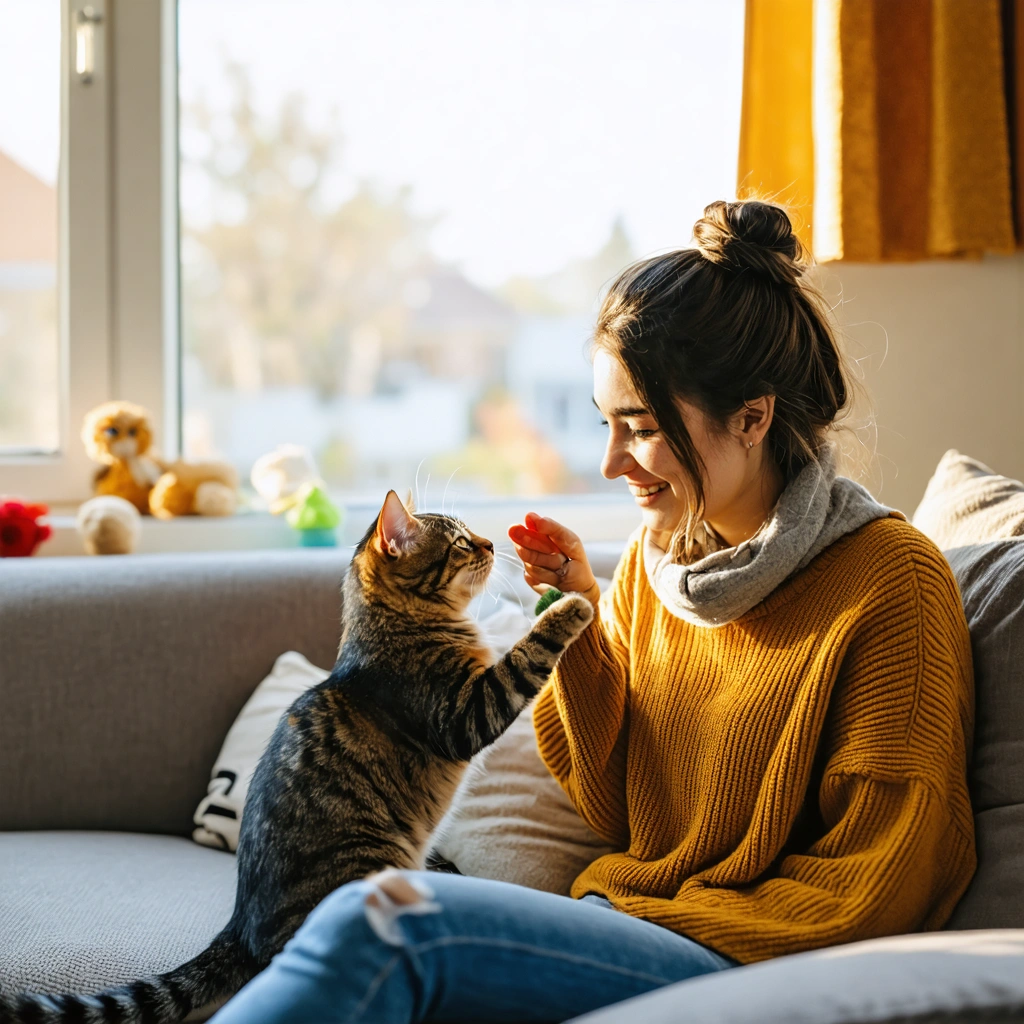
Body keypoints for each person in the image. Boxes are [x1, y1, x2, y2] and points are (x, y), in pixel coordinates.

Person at [210, 200, 975, 1023]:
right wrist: (582, 621)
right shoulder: (662, 569)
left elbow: (884, 880)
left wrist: (670, 918)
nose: (611, 463)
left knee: (391, 920)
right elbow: (619, 807)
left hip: (750, 959)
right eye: (604, 425)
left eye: (639, 430)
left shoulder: (892, 585)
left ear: (753, 416)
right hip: (629, 920)